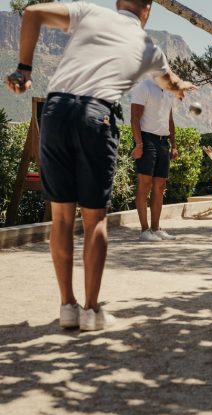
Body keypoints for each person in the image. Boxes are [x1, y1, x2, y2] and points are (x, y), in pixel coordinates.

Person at [5, 0, 195, 331]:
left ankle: (67, 306)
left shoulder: (90, 12)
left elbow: (33, 13)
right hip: (96, 115)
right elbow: (170, 83)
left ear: (119, 2)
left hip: (56, 111)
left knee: (62, 217)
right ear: (147, 10)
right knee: (94, 220)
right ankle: (92, 311)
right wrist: (181, 88)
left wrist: (24, 70)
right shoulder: (149, 47)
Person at [130, 77, 177, 242]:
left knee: (160, 185)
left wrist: (174, 145)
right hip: (146, 138)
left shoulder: (170, 91)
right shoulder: (144, 86)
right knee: (145, 183)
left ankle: (156, 228)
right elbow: (134, 117)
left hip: (163, 141)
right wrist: (139, 144)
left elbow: (170, 121)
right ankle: (144, 230)